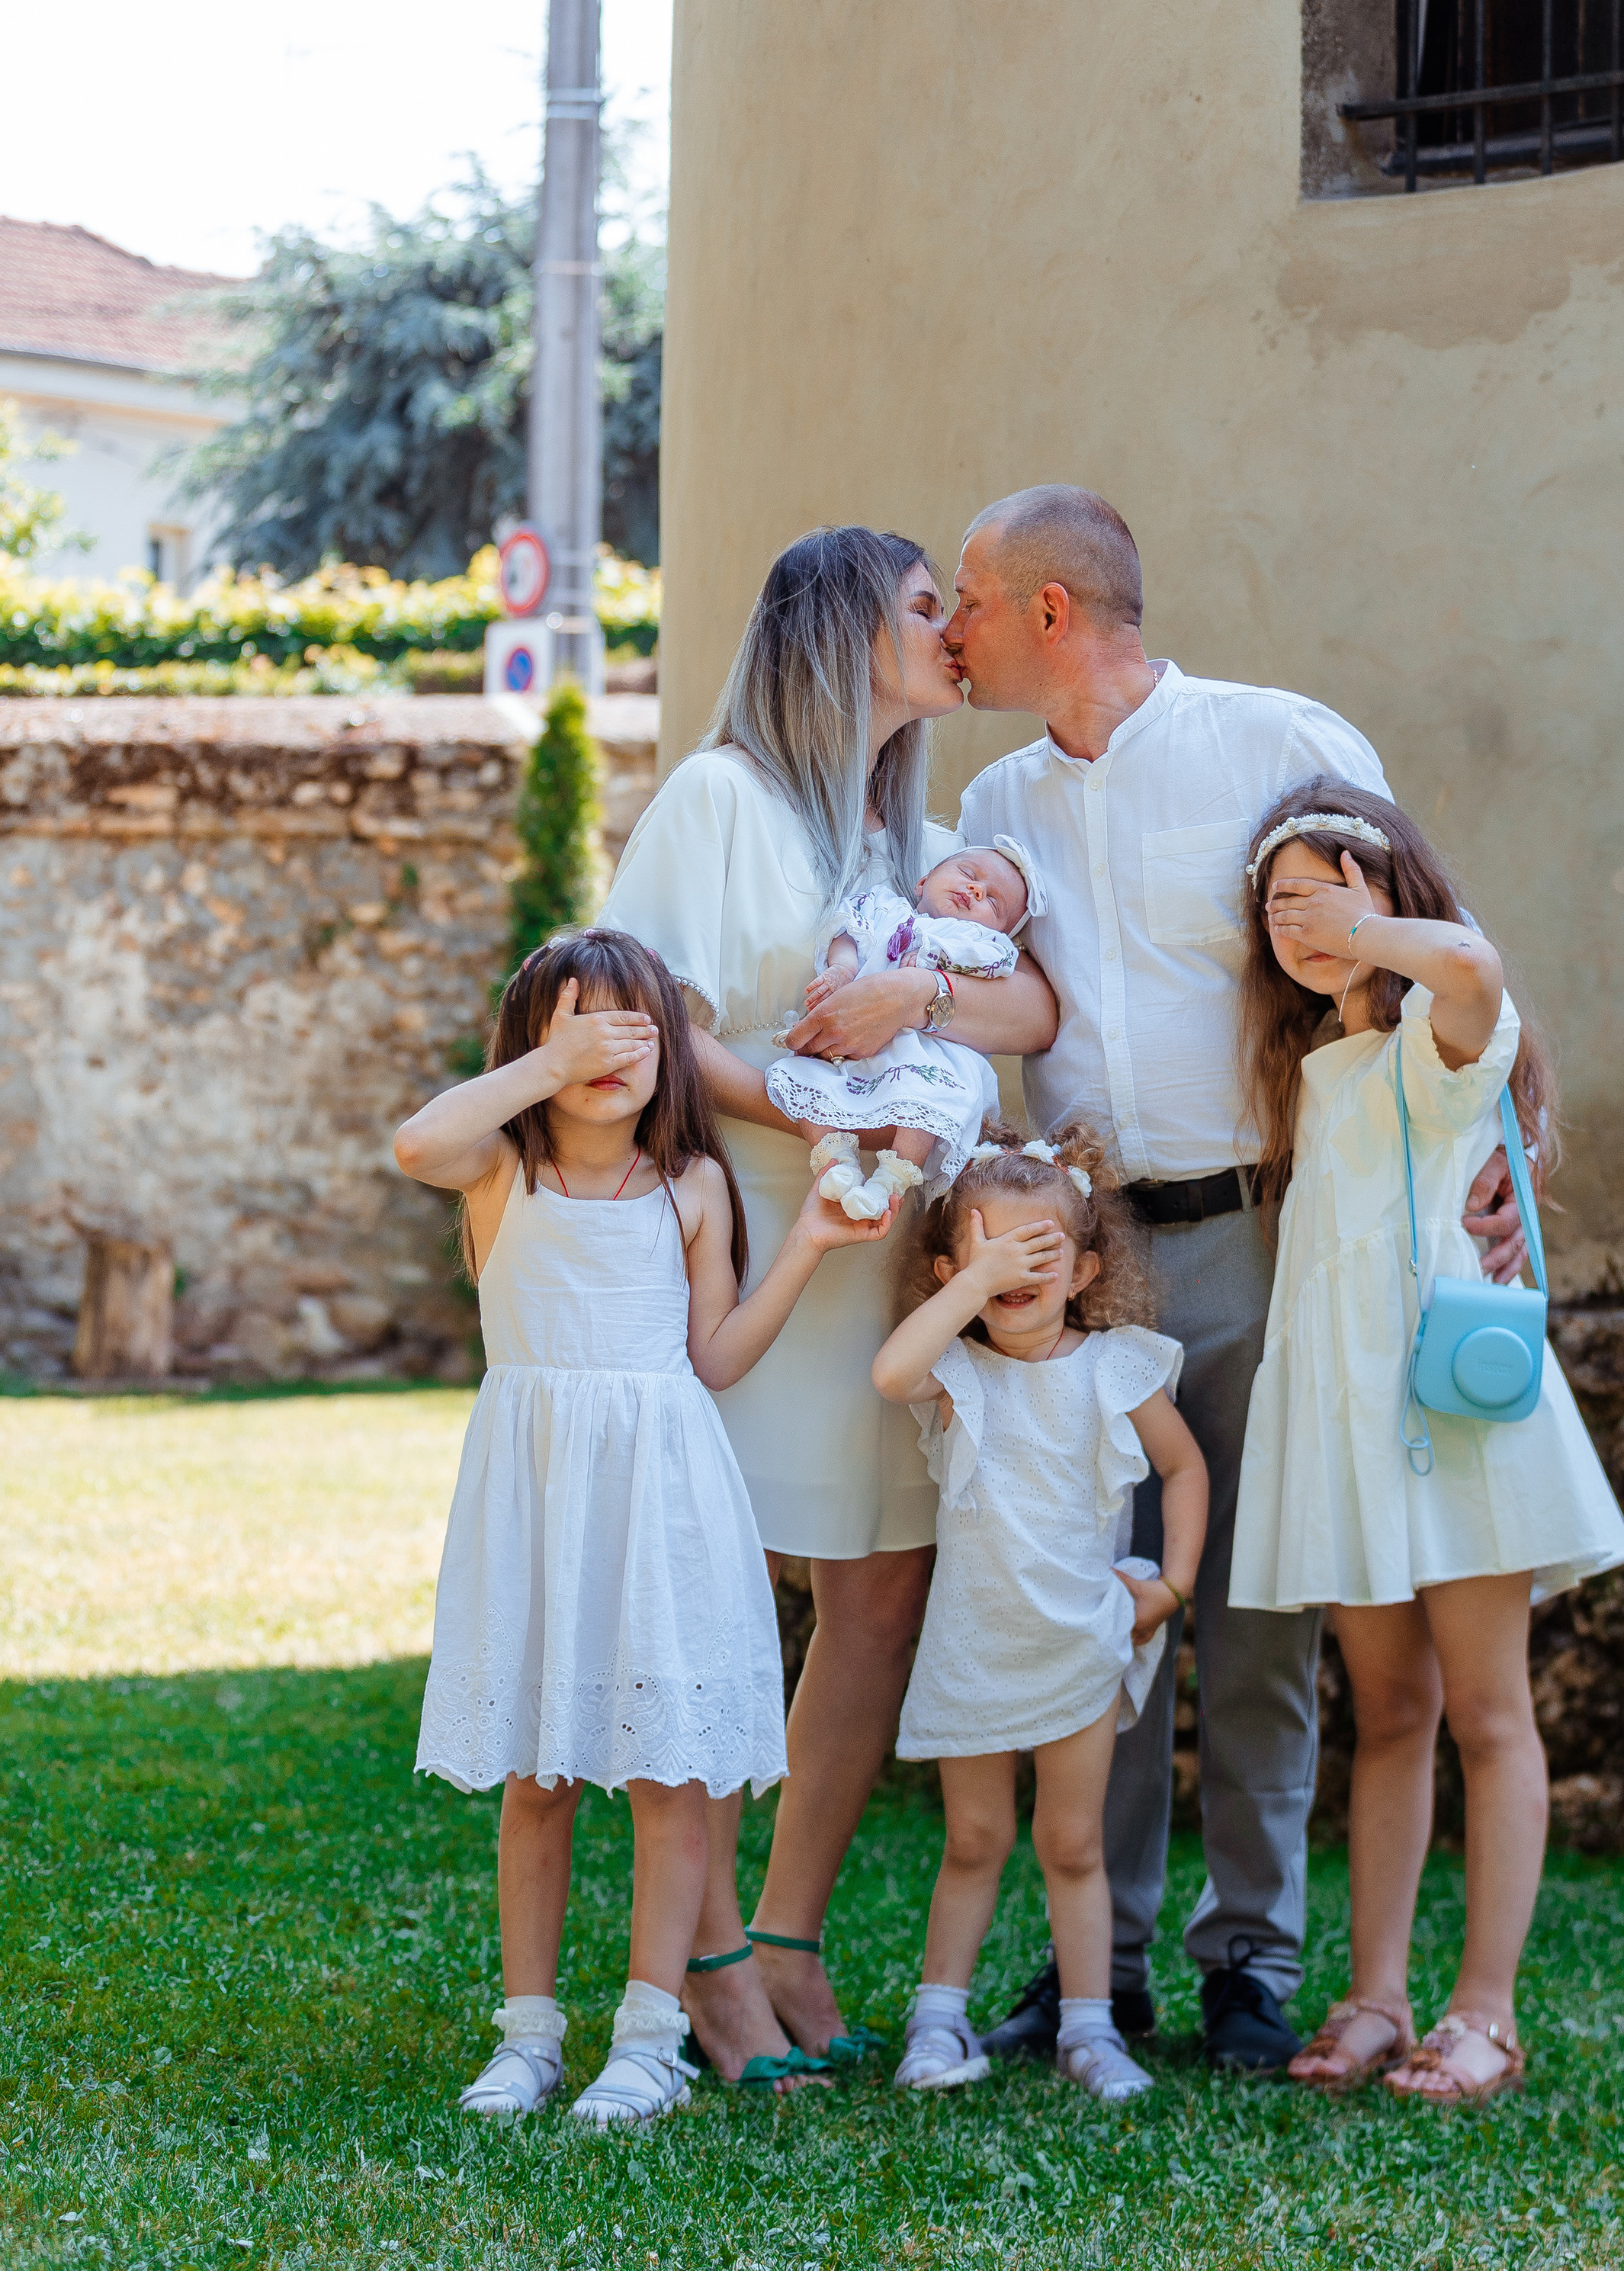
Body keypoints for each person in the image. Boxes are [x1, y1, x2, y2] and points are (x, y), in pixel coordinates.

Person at [945, 483, 1527, 2072]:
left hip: (1281, 1238)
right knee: (1098, 1604)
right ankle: (1099, 1970)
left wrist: (1474, 1165)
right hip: (1092, 1258)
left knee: (1268, 1604)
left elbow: (1423, 940)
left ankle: (1249, 1964)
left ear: (1047, 612)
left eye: (966, 601)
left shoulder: (1278, 741)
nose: (949, 628)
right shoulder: (986, 811)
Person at [596, 528, 1058, 2077]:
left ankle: (789, 1935)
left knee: (880, 1594)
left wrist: (905, 1047)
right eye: (924, 605)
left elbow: (1012, 1002)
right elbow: (647, 1011)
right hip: (765, 1249)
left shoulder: (893, 836)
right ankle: (708, 1960)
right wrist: (813, 1113)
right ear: (836, 627)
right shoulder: (716, 800)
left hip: (891, 1256)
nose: (953, 629)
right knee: (719, 1608)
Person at [396, 927, 892, 2122]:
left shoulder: (692, 1186)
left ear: (669, 1052)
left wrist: (814, 1245)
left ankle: (650, 2035)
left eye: (629, 1030)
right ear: (532, 1047)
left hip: (664, 1498)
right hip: (540, 1499)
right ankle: (527, 2037)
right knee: (540, 1773)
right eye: (575, 1027)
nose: (603, 1051)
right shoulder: (500, 1174)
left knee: (671, 1776)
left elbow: (714, 1356)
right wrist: (543, 1065)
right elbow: (420, 1139)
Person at [1230, 784, 1624, 2101]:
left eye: (1321, 890)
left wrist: (1371, 926)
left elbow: (1467, 960)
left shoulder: (1438, 1036)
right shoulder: (1310, 1068)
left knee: (1488, 1713)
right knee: (1388, 1712)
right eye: (1276, 901)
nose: (1297, 920)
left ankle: (1486, 2012)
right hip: (1352, 1429)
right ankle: (1377, 1996)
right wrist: (1339, 934)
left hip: (1454, 1427)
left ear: (1384, 888)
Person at [870, 1123, 1206, 2102]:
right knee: (973, 1841)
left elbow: (1183, 1468)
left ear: (1086, 1266)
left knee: (1073, 1844)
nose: (1013, 1270)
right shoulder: (953, 1375)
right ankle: (937, 2023)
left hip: (1079, 1643)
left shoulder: (1114, 1367)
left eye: (1039, 1251)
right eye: (987, 1252)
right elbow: (890, 1374)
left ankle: (1089, 2033)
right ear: (947, 1269)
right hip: (975, 1647)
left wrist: (1171, 1584)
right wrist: (968, 1295)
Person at [765, 837, 1045, 1218]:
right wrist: (842, 969)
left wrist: (933, 959)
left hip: (925, 1048)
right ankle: (835, 1159)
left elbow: (989, 963)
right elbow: (847, 930)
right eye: (968, 874)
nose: (976, 890)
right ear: (923, 881)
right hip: (849, 1037)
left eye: (993, 903)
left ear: (1001, 932)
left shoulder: (978, 942)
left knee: (927, 1099)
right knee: (803, 1078)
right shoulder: (884, 907)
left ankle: (891, 1181)